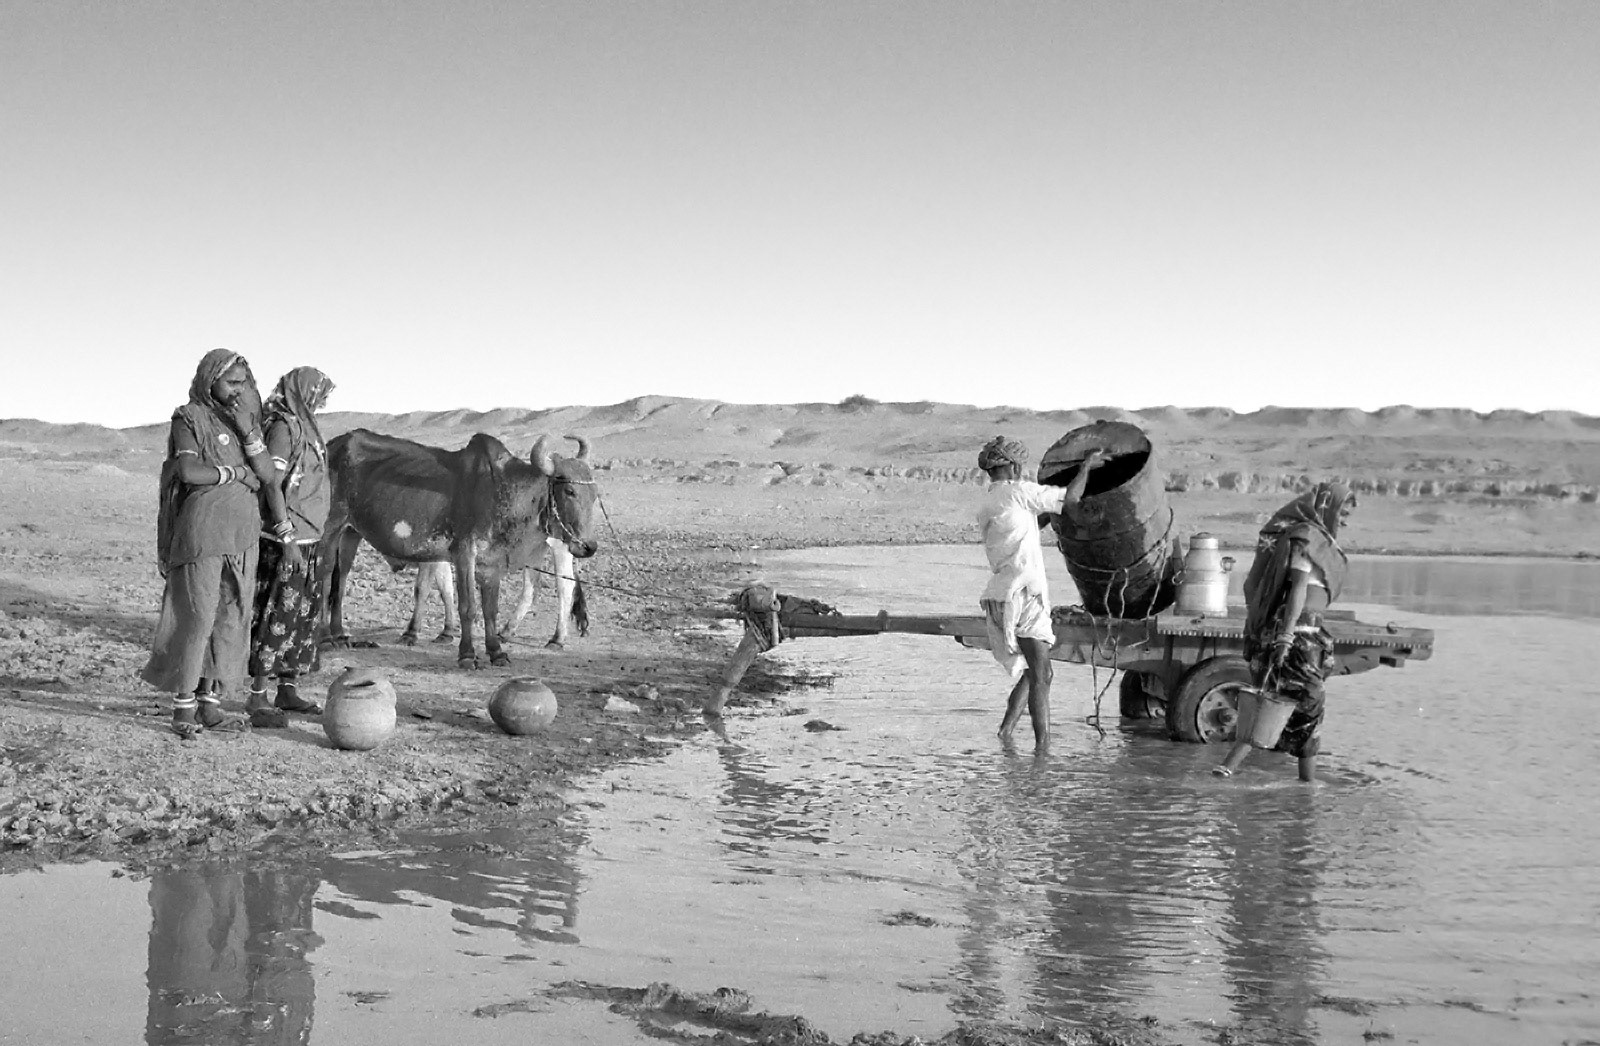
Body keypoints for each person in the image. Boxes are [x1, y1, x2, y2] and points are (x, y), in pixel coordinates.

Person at [142, 350, 287, 739]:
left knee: (231, 618)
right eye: (231, 383)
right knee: (199, 619)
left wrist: (248, 431)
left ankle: (211, 704)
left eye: (244, 382)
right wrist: (236, 473)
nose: (240, 390)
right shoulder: (188, 417)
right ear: (210, 380)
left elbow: (269, 475)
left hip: (243, 536)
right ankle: (183, 709)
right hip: (203, 533)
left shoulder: (247, 422)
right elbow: (189, 472)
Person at [1214, 481, 1356, 783]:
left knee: (1279, 698)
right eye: (1343, 512)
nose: (1344, 520)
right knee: (1306, 702)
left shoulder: (1319, 541)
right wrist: (1286, 637)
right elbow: (1297, 593)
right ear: (1326, 507)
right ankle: (1306, 786)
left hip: (1309, 632)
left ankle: (1228, 768)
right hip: (1299, 633)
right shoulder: (1306, 540)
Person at [976, 436, 1107, 750]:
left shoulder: (992, 501)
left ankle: (1006, 734)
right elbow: (1071, 499)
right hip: (1024, 595)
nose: (1022, 469)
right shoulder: (1019, 492)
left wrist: (1051, 512)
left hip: (1002, 595)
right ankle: (1042, 750)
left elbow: (1029, 525)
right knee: (1043, 674)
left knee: (1033, 672)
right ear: (1010, 465)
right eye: (1019, 464)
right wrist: (1087, 466)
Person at [245, 367, 336, 728]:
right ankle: (257, 696)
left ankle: (287, 688)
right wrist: (286, 538)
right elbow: (272, 482)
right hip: (287, 540)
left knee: (301, 617)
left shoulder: (306, 425)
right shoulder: (284, 426)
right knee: (277, 615)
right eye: (320, 392)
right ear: (304, 391)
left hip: (309, 536)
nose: (325, 399)